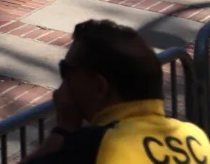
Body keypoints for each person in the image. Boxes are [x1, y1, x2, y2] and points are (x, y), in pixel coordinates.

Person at [24, 20, 209, 162]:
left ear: (99, 86)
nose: (64, 83)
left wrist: (63, 130)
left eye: (67, 70)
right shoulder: (196, 137)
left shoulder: (95, 146)